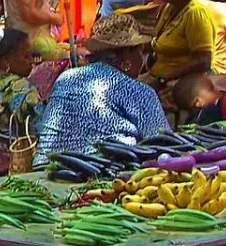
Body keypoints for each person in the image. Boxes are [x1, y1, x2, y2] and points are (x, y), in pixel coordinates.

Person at [35, 14, 167, 165]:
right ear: (126, 55)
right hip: (100, 175)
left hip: (43, 169)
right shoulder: (140, 92)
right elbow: (163, 145)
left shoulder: (65, 78)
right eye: (140, 50)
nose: (142, 57)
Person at [147, 0, 217, 101]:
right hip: (157, 77)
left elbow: (204, 61)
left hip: (180, 86)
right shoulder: (169, 9)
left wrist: (165, 78)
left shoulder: (196, 13)